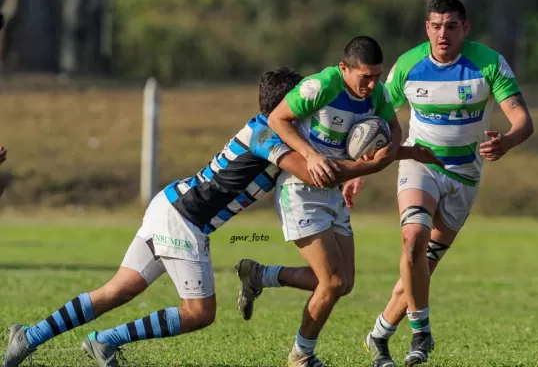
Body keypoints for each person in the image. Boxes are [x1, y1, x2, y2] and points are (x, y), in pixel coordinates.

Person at [1, 67, 398, 367]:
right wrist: (373, 164)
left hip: (172, 205)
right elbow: (312, 172)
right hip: (184, 219)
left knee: (115, 292)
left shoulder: (274, 132)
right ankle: (105, 339)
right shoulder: (267, 136)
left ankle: (31, 335)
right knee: (199, 313)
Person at [236, 36, 443, 367]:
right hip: (301, 191)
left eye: (377, 75)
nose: (373, 84)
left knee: (343, 283)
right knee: (331, 282)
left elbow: (394, 129)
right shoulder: (321, 86)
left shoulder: (375, 92)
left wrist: (394, 149)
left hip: (333, 192)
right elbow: (277, 120)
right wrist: (310, 155)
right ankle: (301, 356)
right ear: (344, 68)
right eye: (365, 77)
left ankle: (260, 275)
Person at [360, 0, 534, 366]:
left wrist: (507, 140)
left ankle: (378, 336)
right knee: (413, 238)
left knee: (422, 265)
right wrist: (360, 167)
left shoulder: (488, 63)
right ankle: (422, 331)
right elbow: (376, 117)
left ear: (464, 28)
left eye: (451, 26)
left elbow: (523, 120)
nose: (443, 34)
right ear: (427, 28)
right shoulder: (408, 65)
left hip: (465, 177)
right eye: (436, 26)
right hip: (420, 164)